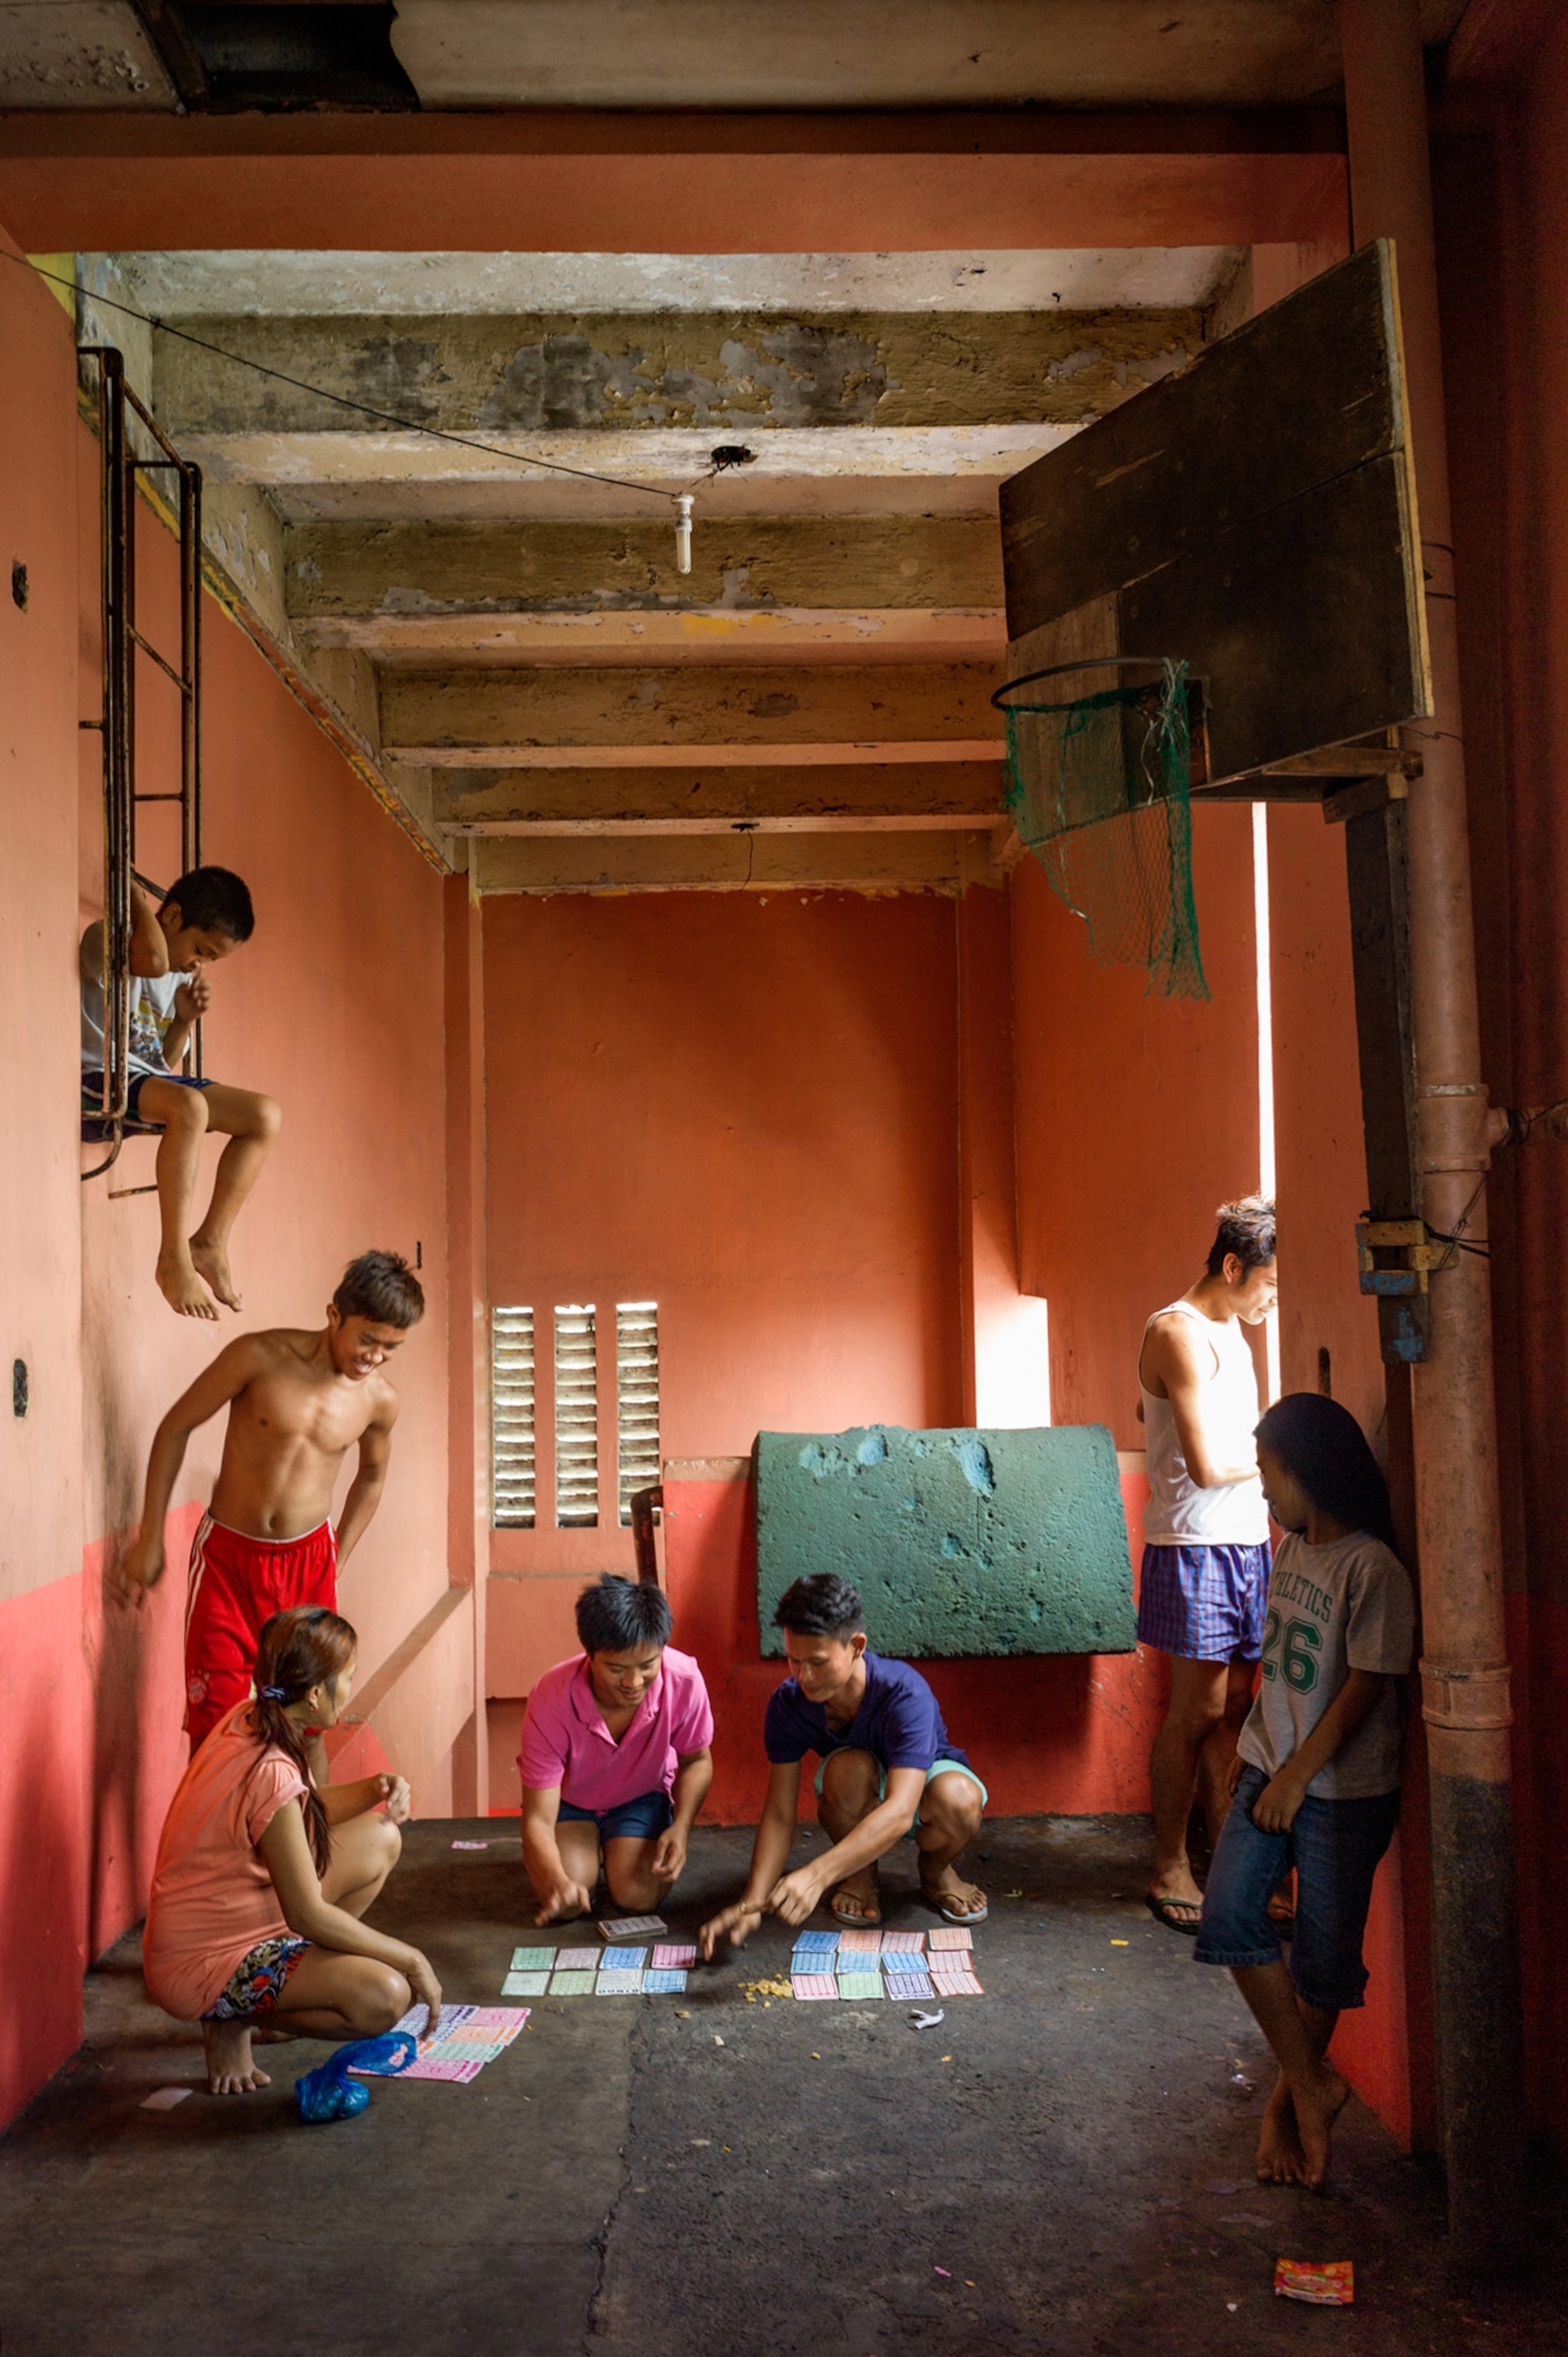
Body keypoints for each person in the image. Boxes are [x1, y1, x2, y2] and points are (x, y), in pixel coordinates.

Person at [1194, 1393, 1414, 2189]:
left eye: (1268, 1470)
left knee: (1323, 1969)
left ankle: (1290, 2104)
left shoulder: (1371, 1567)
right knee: (1226, 1916)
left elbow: (1364, 1690)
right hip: (1269, 1766)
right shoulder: (1291, 1551)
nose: (1261, 1487)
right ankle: (1315, 2084)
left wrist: (1294, 1774)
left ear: (1309, 1471)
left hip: (1341, 1793)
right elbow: (1281, 1664)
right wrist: (1255, 1751)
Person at [112, 1251, 424, 1754]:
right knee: (217, 1726)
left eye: (392, 1347)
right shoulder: (257, 1357)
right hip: (229, 1563)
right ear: (333, 1316)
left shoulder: (379, 1401)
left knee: (305, 1722)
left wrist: (337, 1555)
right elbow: (176, 1427)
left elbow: (370, 1477)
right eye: (368, 1339)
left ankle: (306, 1832)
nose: (376, 1356)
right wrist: (151, 1537)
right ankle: (215, 1834)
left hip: (309, 1567)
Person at [142, 1604, 443, 2096]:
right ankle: (231, 2016)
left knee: (381, 1838)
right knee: (385, 1996)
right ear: (317, 1692)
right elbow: (307, 1914)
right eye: (347, 1677)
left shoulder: (254, 1716)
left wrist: (377, 1788)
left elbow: (296, 1810)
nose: (351, 1688)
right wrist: (411, 1959)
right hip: (203, 1962)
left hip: (237, 1915)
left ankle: (279, 1998)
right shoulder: (270, 1767)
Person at [700, 1573, 986, 1960]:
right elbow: (781, 1814)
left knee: (960, 1799)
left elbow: (901, 1811)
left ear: (856, 1646)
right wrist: (751, 1903)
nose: (804, 1677)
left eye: (817, 1662)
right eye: (793, 1660)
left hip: (924, 1790)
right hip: (859, 1787)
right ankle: (861, 1874)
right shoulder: (787, 1704)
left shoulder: (906, 1693)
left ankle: (936, 1873)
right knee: (846, 1768)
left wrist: (816, 1875)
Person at [1137, 1196, 1278, 1933]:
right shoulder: (1176, 1332)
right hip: (1194, 1548)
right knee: (1196, 1712)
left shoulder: (1231, 1329)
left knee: (1240, 1713)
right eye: (1268, 1284)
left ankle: (1230, 1867)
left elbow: (1163, 1421)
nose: (1272, 1299)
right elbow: (1205, 1462)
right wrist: (1288, 1458)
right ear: (1232, 1266)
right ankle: (1168, 1863)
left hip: (1249, 1540)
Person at [81, 867, 278, 1320]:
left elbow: (161, 1065)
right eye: (200, 950)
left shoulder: (175, 979)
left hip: (140, 1083)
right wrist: (127, 885)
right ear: (170, 916)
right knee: (189, 1105)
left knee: (265, 1116)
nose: (198, 965)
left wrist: (185, 1020)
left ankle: (209, 1242)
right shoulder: (108, 940)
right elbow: (150, 958)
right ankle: (173, 1257)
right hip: (95, 1080)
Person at [520, 1574, 713, 1924]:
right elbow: (537, 1817)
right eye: (616, 1669)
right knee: (573, 1892)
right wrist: (556, 1880)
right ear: (589, 1654)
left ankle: (619, 1849)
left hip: (641, 1798)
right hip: (571, 1804)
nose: (633, 1683)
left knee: (637, 1896)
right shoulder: (550, 1697)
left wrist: (681, 1826)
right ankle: (592, 1855)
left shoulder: (685, 1680)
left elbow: (697, 1760)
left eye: (648, 1665)